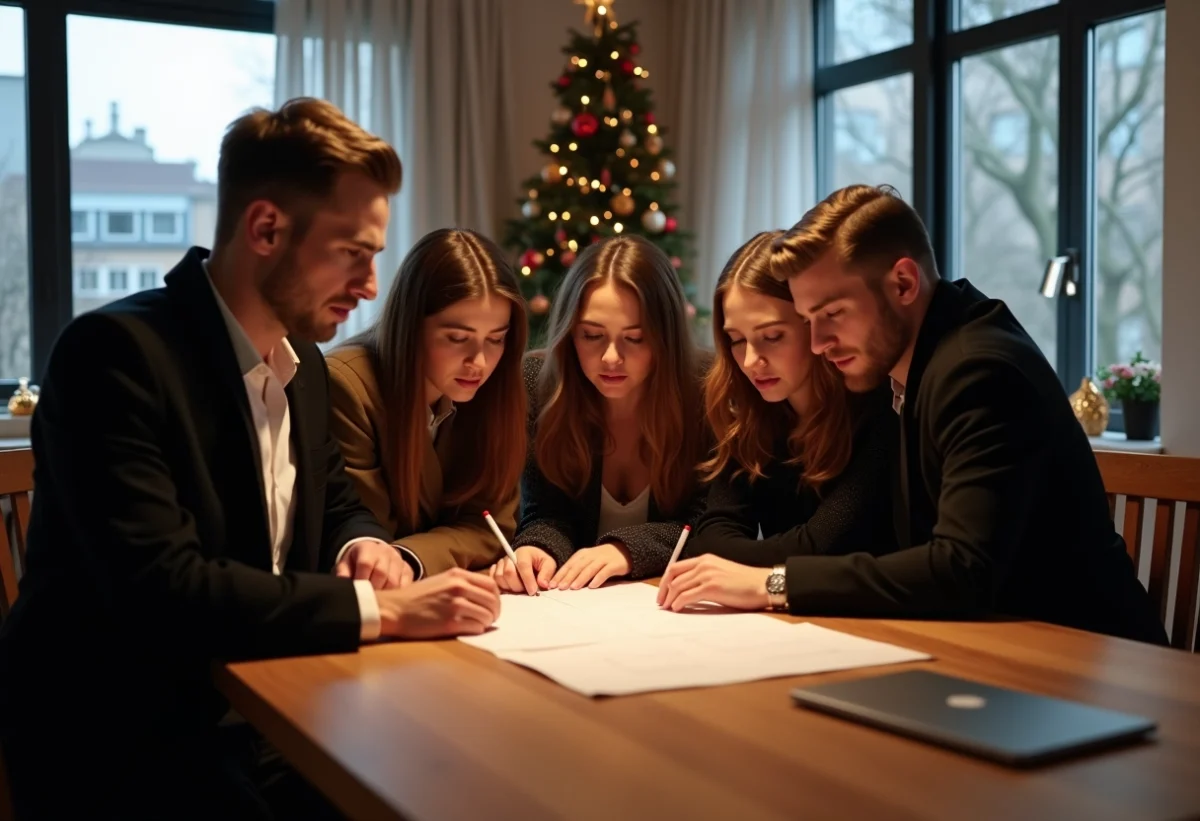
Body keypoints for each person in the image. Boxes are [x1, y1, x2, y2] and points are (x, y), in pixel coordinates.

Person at [0, 98, 502, 819]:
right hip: (129, 736)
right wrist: (381, 610)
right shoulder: (113, 356)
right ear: (266, 228)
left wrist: (362, 544)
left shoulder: (304, 365)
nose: (368, 286)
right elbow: (166, 590)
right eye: (353, 254)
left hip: (264, 707)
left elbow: (334, 501)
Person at [674, 183, 1165, 645]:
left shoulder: (978, 370)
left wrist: (773, 583)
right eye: (808, 321)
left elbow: (959, 568)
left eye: (833, 314)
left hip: (1084, 656)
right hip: (996, 640)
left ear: (904, 283)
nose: (819, 344)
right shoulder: (920, 362)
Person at [657, 231, 896, 612]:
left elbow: (824, 547)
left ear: (814, 326)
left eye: (772, 336)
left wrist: (748, 573)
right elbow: (711, 536)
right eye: (736, 339)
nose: (751, 360)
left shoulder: (880, 411)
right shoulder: (754, 414)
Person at [492, 235, 709, 595]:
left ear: (666, 338)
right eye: (591, 335)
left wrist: (627, 550)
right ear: (568, 333)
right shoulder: (539, 384)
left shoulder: (704, 385)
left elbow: (711, 525)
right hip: (576, 607)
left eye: (635, 338)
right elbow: (546, 512)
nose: (611, 357)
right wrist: (537, 547)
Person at [326, 228, 528, 577]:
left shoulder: (494, 391)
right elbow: (372, 544)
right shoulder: (347, 388)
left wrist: (413, 556)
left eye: (496, 339)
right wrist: (416, 555)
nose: (478, 362)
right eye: (457, 338)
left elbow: (491, 528)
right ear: (410, 326)